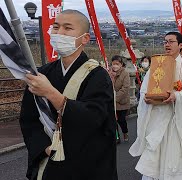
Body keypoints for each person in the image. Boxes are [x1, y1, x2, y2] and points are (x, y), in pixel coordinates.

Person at [20, 10, 117, 180]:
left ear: (85, 38)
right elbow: (29, 119)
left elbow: (94, 117)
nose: (59, 33)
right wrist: (44, 147)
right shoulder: (43, 73)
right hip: (51, 160)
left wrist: (50, 92)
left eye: (68, 28)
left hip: (87, 163)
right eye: (56, 27)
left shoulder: (97, 75)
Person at [129, 32, 182, 180]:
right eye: (165, 41)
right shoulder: (156, 65)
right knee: (152, 160)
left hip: (175, 122)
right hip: (156, 118)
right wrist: (145, 98)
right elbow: (144, 89)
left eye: (171, 41)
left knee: (173, 159)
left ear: (180, 45)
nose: (167, 44)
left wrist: (177, 96)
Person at [110, 55, 130, 143]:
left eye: (117, 64)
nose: (115, 66)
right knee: (113, 120)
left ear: (121, 64)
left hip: (121, 101)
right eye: (113, 64)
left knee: (121, 120)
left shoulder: (125, 73)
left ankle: (125, 132)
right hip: (111, 101)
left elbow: (125, 88)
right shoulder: (109, 72)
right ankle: (116, 137)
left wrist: (116, 97)